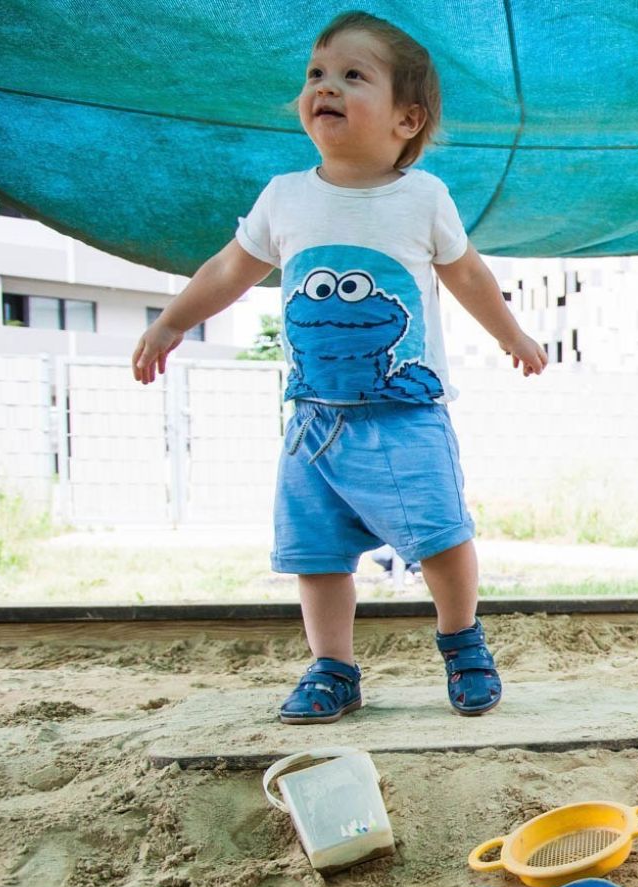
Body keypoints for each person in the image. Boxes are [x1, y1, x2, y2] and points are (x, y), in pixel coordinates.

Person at [130, 11, 547, 723]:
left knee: (443, 536)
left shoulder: (422, 198)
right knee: (314, 552)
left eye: (354, 75)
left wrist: (513, 334)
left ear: (406, 119)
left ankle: (461, 640)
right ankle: (333, 666)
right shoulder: (285, 197)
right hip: (314, 423)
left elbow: (469, 275)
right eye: (316, 74)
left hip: (407, 415)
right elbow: (233, 266)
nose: (325, 86)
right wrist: (172, 320)